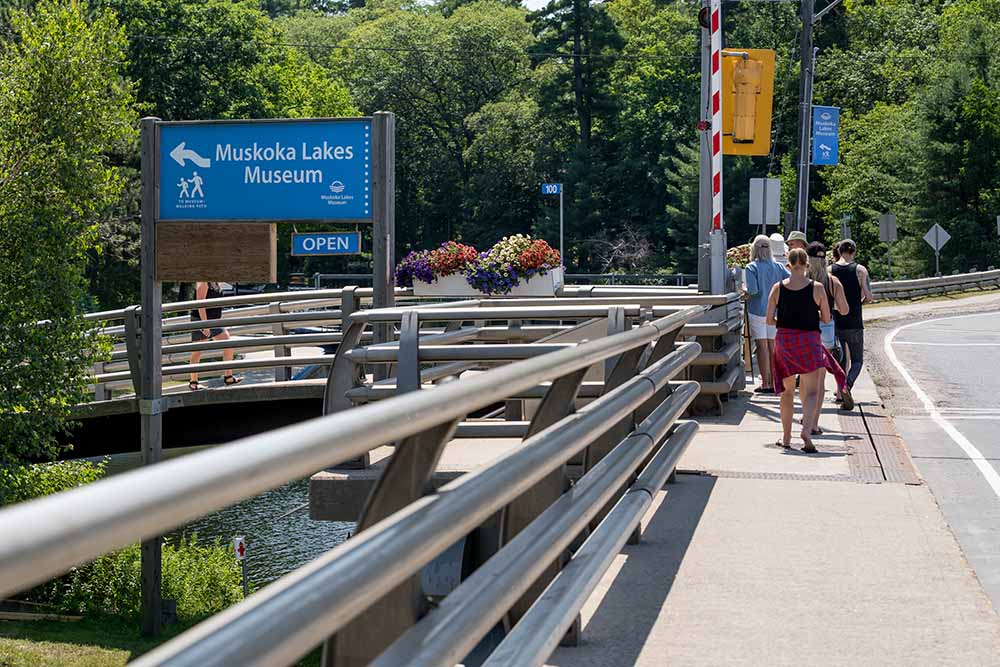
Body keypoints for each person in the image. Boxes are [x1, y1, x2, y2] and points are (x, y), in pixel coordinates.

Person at [766, 248, 847, 452]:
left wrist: (784, 323)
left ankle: (786, 438)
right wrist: (813, 317)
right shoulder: (817, 288)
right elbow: (827, 319)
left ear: (788, 265)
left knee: (787, 392)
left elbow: (769, 320)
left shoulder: (778, 288)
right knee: (811, 391)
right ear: (807, 266)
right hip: (809, 341)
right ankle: (807, 430)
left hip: (784, 341)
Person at [807, 242, 849, 428]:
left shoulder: (802, 280)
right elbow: (845, 309)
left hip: (804, 329)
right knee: (820, 377)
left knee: (806, 377)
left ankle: (806, 415)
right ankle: (814, 420)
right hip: (826, 329)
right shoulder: (833, 282)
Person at [743, 235, 790, 393]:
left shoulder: (751, 267)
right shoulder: (778, 267)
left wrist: (744, 291)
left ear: (754, 249)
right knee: (773, 346)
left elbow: (753, 291)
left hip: (757, 311)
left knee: (761, 347)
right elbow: (790, 282)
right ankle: (776, 382)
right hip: (775, 312)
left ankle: (766, 383)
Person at [831, 239, 873, 411]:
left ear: (839, 251)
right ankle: (847, 385)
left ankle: (840, 392)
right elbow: (869, 296)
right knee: (856, 360)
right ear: (854, 252)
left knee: (840, 360)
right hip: (855, 320)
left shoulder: (830, 270)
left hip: (836, 321)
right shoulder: (860, 270)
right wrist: (859, 302)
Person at [189, 281, 241, 390]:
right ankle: (193, 382)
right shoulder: (202, 282)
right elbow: (200, 305)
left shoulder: (216, 282)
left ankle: (228, 377)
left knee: (228, 344)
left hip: (215, 321)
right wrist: (205, 324)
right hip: (201, 320)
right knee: (197, 352)